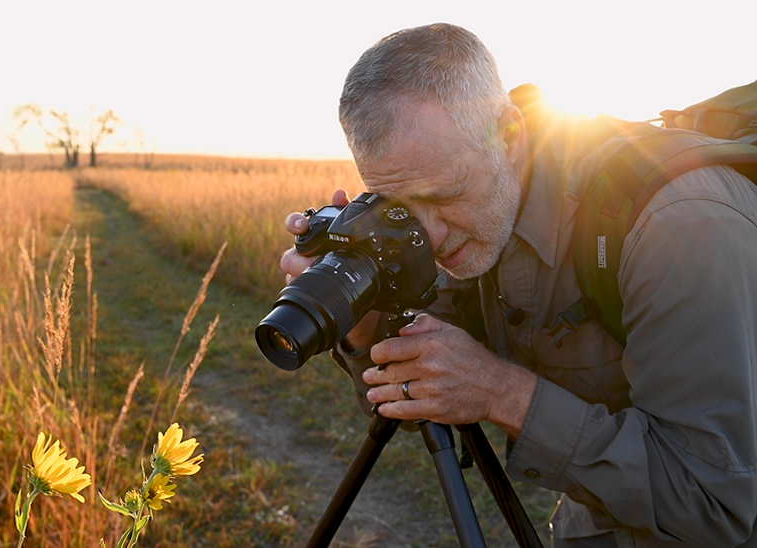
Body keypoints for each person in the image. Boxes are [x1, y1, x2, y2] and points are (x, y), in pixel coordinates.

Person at [279, 23, 757, 547]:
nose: (431, 237)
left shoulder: (679, 227)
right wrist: (366, 321)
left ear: (508, 136)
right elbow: (423, 395)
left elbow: (715, 505)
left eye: (445, 194)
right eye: (401, 209)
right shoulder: (479, 213)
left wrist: (503, 394)